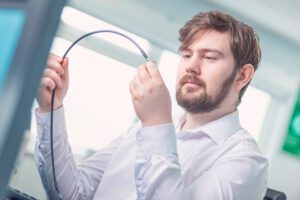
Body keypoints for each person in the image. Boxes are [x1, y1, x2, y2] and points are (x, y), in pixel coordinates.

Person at [35, 10, 268, 200]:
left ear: (242, 76)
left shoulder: (246, 162)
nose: (191, 67)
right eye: (186, 55)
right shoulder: (143, 129)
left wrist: (156, 123)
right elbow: (73, 193)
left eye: (209, 57)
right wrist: (51, 110)